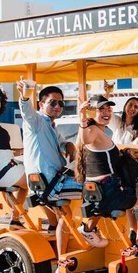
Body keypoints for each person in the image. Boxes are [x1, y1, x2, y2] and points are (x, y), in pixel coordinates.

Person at [17, 79, 93, 257]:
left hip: (55, 182)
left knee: (67, 216)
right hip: (51, 185)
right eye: (52, 102)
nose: (57, 106)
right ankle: (89, 230)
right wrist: (24, 95)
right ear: (41, 104)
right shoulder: (36, 122)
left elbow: (62, 142)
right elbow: (26, 111)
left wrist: (69, 146)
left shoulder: (51, 126)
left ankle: (63, 257)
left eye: (61, 103)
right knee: (97, 188)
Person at [76, 94, 138, 257]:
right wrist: (81, 117)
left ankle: (93, 229)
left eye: (108, 108)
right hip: (109, 190)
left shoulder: (98, 130)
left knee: (132, 195)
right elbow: (86, 139)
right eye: (100, 109)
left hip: (99, 191)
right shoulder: (92, 130)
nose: (106, 112)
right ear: (91, 112)